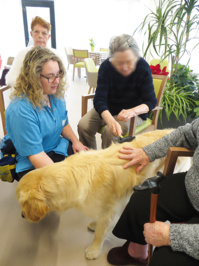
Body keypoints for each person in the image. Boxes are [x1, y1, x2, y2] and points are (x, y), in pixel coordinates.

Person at [107, 119, 199, 266]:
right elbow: (187, 134)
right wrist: (148, 152)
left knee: (164, 261)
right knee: (142, 198)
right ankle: (137, 253)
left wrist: (173, 236)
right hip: (193, 186)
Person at [3, 46, 88, 181]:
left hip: (56, 147)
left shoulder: (54, 94)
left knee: (87, 167)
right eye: (50, 77)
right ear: (33, 78)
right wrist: (65, 179)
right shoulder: (21, 110)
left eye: (58, 74)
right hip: (32, 162)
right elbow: (36, 155)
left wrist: (75, 141)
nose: (57, 81)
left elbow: (63, 123)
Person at [78, 34, 157, 149]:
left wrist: (133, 111)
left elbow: (151, 101)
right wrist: (110, 120)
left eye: (129, 61)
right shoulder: (106, 67)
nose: (124, 67)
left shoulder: (142, 67)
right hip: (108, 109)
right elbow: (99, 99)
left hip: (133, 114)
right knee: (83, 125)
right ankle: (91, 159)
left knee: (110, 132)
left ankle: (108, 164)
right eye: (119, 62)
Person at [6, 16, 67, 88]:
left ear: (49, 36)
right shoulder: (22, 54)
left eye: (44, 33)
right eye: (36, 32)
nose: (40, 36)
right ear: (31, 34)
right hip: (27, 94)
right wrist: (29, 86)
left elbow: (65, 82)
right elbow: (10, 79)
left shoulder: (57, 56)